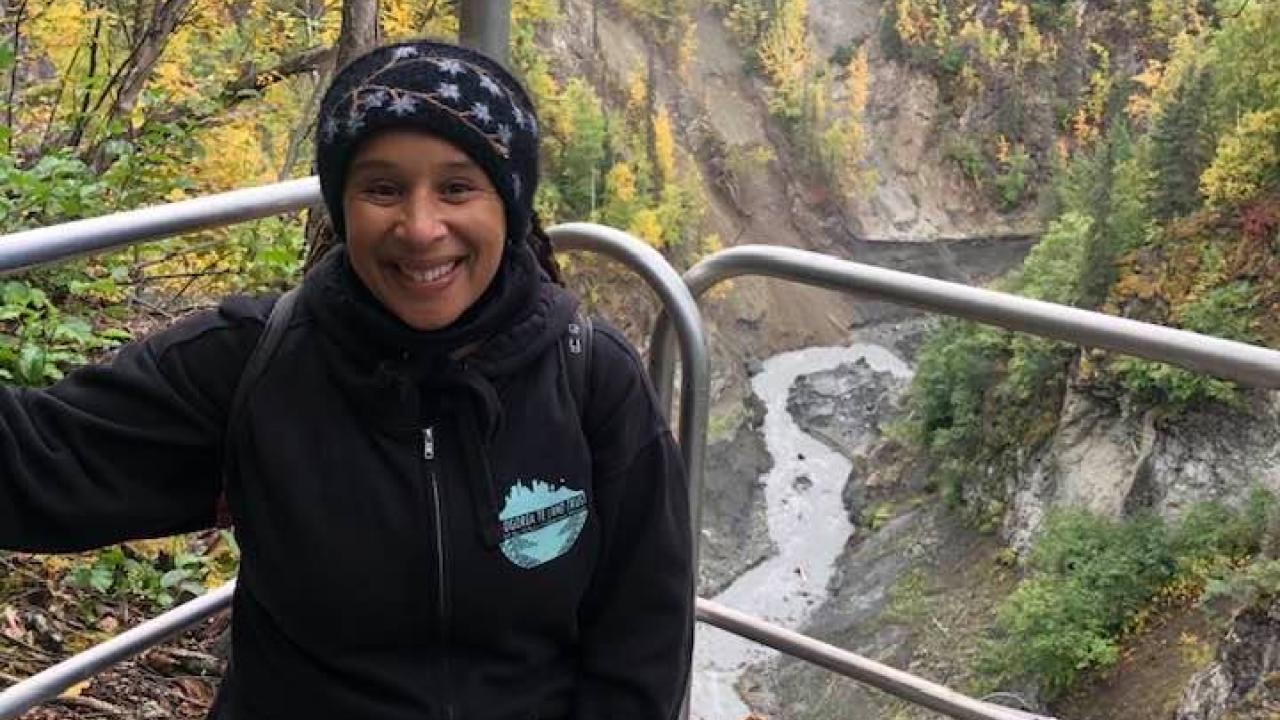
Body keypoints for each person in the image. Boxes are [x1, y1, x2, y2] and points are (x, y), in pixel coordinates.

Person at [0, 39, 694, 719]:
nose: (421, 228)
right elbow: (37, 464)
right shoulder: (256, 367)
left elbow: (643, 638)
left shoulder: (589, 376)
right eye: (383, 188)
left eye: (457, 187)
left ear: (508, 206)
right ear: (342, 205)